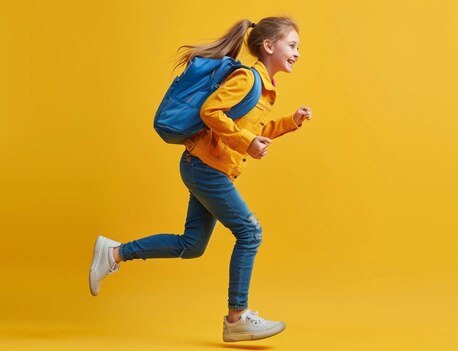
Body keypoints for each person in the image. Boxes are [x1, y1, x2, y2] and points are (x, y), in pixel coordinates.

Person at [88, 16, 311, 342]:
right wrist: (246, 143)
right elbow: (210, 112)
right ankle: (237, 317)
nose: (297, 53)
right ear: (269, 46)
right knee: (250, 232)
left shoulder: (264, 89)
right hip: (206, 167)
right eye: (292, 45)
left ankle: (114, 253)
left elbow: (253, 130)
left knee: (191, 245)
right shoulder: (248, 79)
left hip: (207, 167)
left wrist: (291, 122)